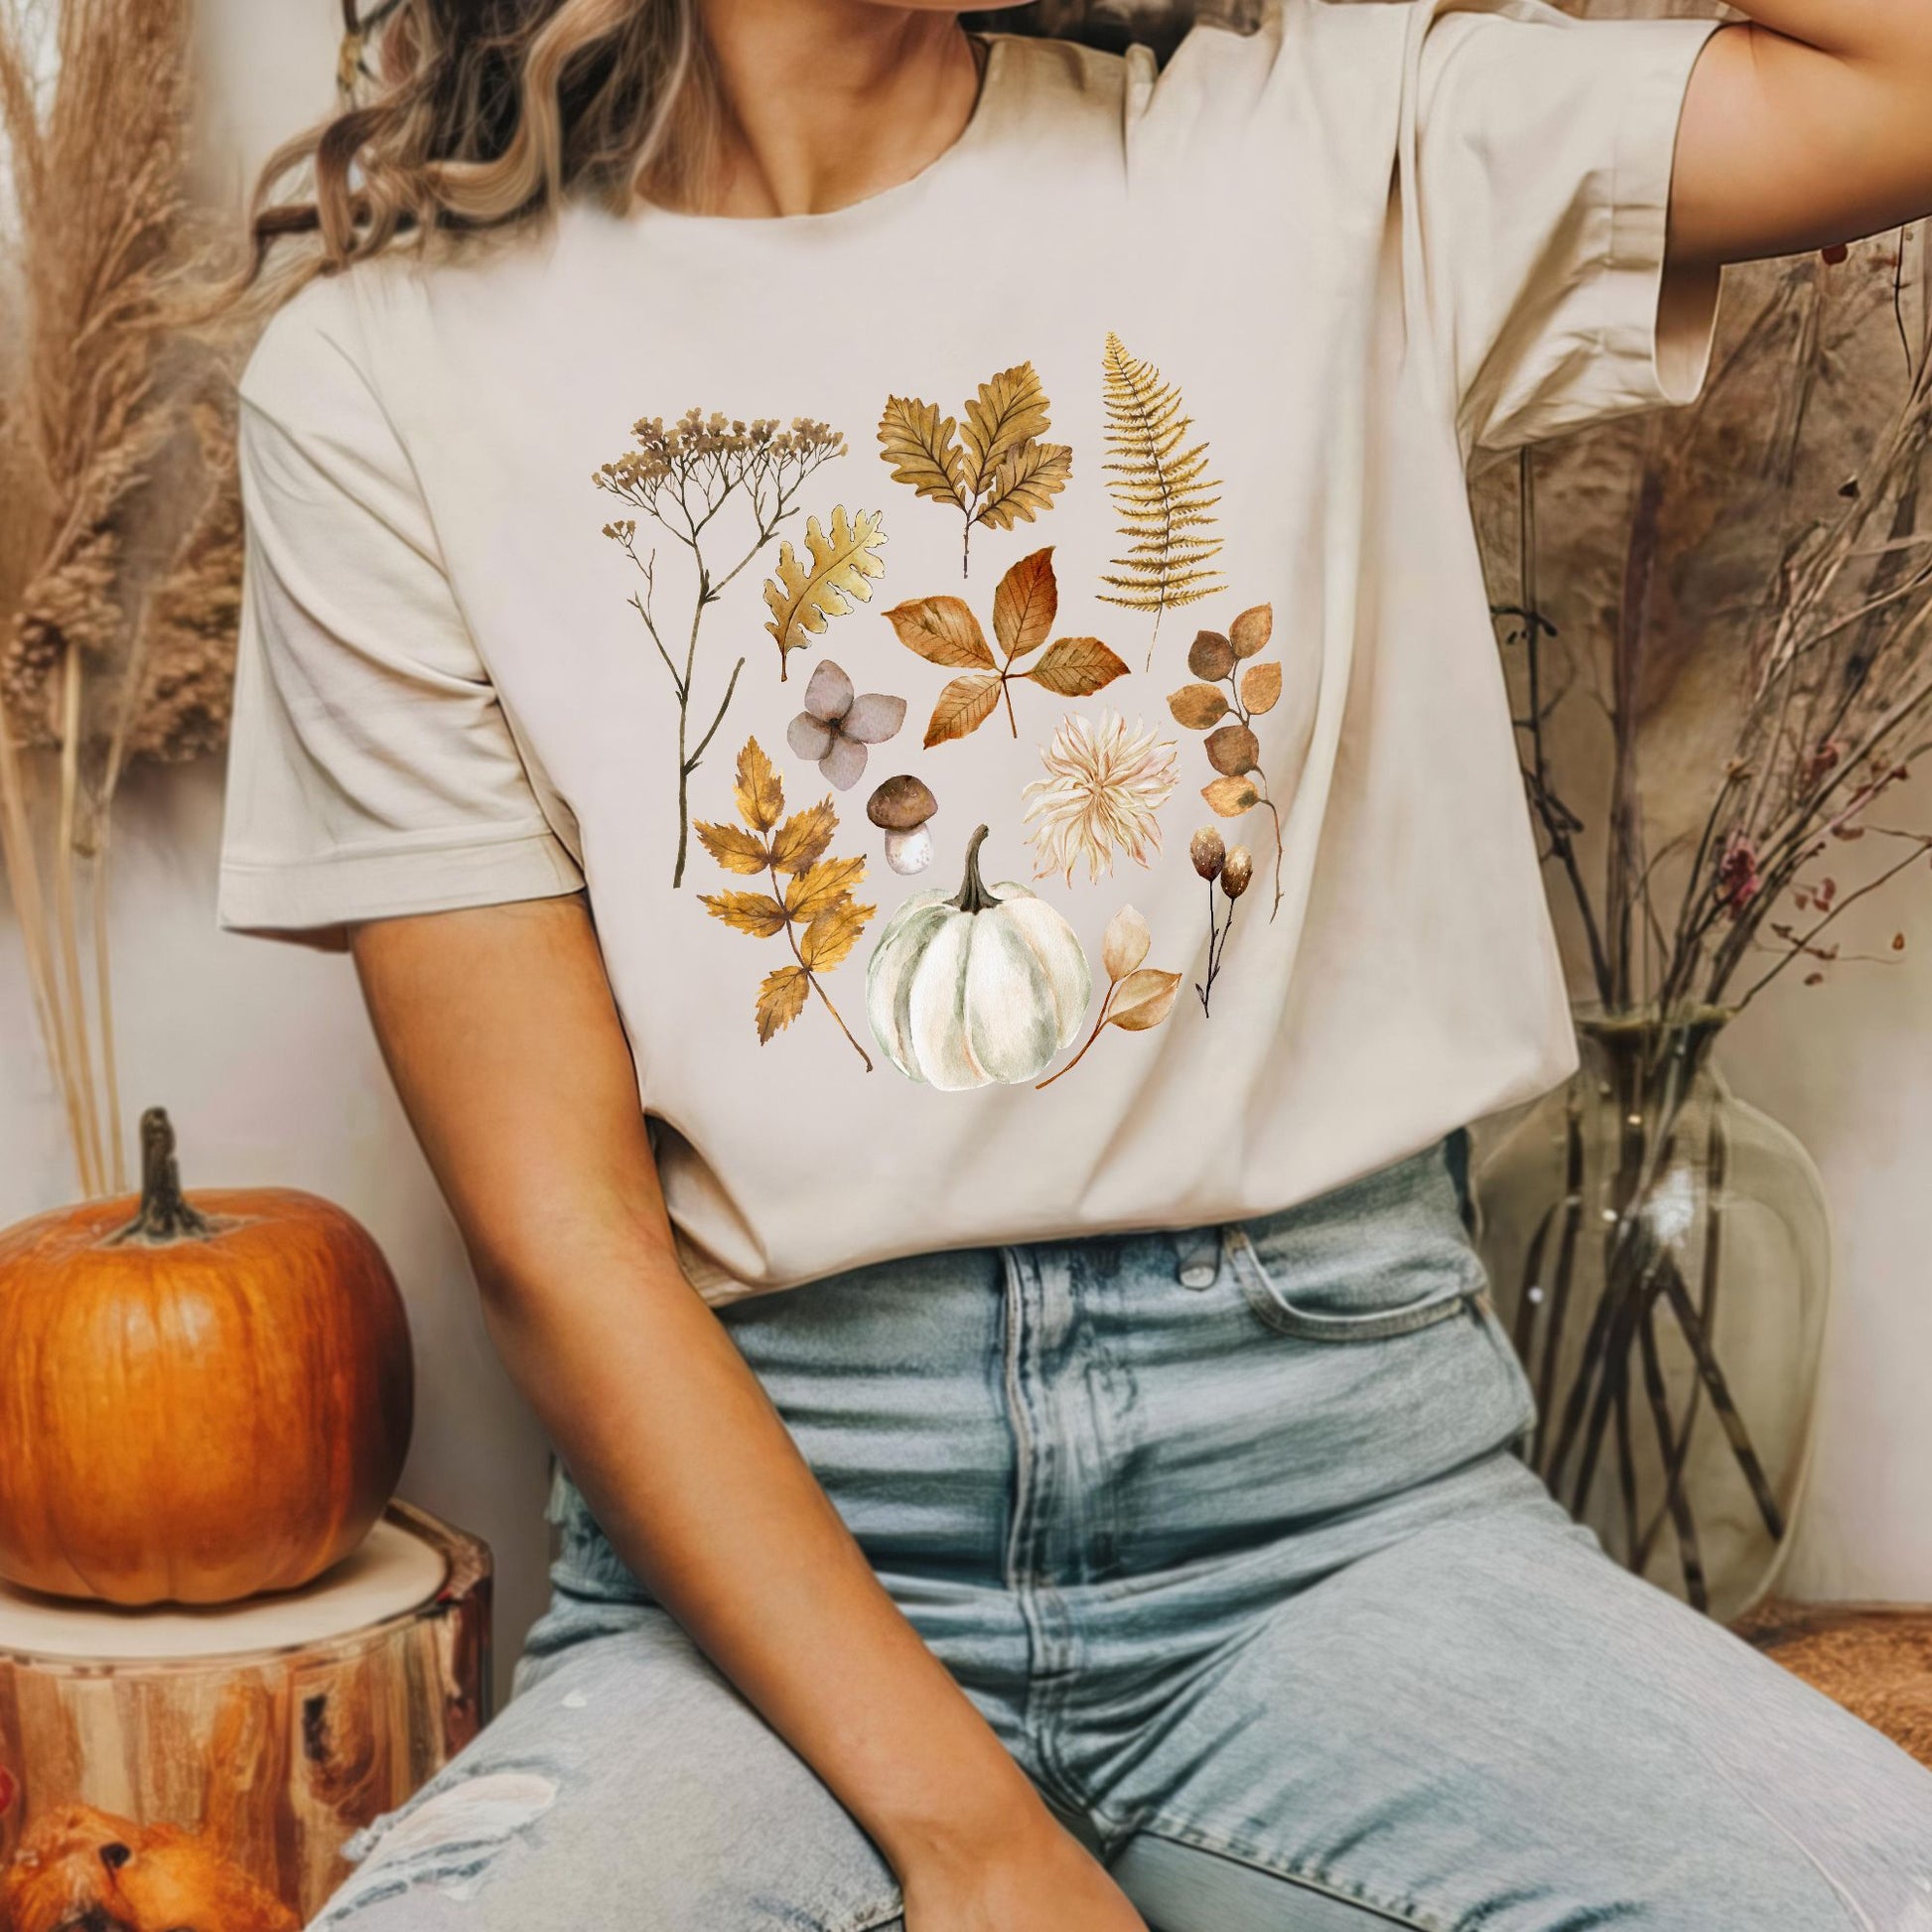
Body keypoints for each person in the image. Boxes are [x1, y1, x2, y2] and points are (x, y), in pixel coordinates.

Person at [211, 1, 1932, 1925]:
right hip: (760, 1582)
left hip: (1346, 1529)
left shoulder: (1323, 136)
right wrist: (968, 1838)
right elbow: (560, 1235)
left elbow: (1896, 82)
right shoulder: (380, 384)